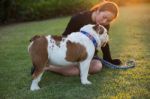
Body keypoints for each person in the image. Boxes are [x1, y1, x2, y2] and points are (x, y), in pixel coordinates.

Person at [44, 1, 122, 76]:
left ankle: (52, 67)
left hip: (89, 56)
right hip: (72, 54)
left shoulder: (105, 25)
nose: (105, 21)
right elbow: (65, 37)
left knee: (97, 66)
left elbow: (104, 42)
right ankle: (47, 66)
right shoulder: (78, 18)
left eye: (109, 20)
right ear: (98, 11)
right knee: (72, 69)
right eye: (104, 17)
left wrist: (108, 59)